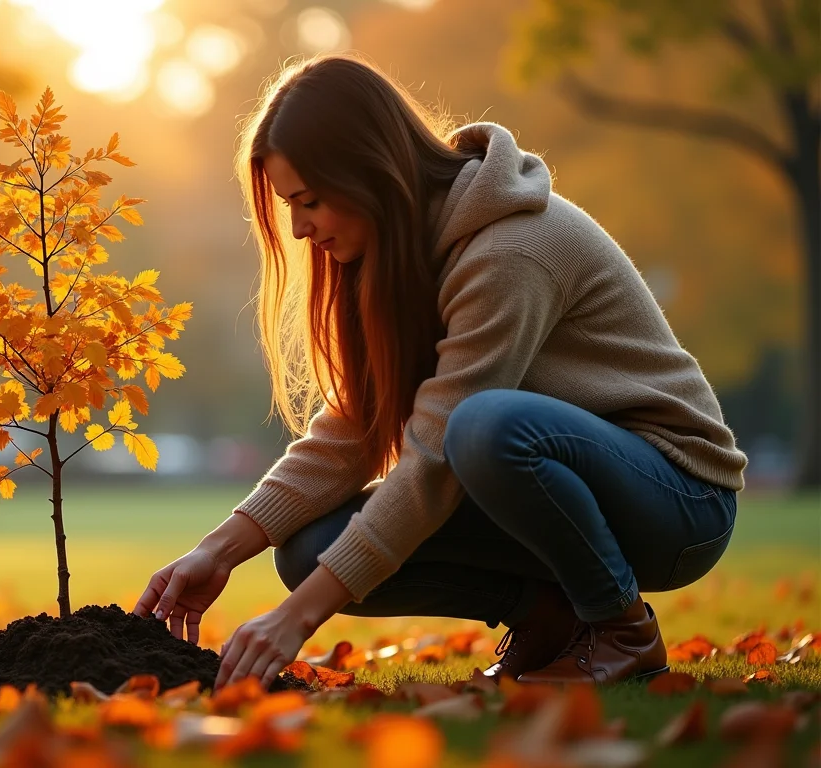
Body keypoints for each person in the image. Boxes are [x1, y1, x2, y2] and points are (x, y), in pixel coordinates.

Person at [132, 53, 746, 690]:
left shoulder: (511, 250)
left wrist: (295, 619)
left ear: (369, 171)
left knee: (485, 427)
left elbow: (434, 457)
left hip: (679, 501)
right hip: (559, 488)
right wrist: (219, 549)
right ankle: (551, 620)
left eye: (309, 200)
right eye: (289, 204)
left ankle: (623, 630)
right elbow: (353, 432)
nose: (298, 227)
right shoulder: (395, 255)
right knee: (309, 548)